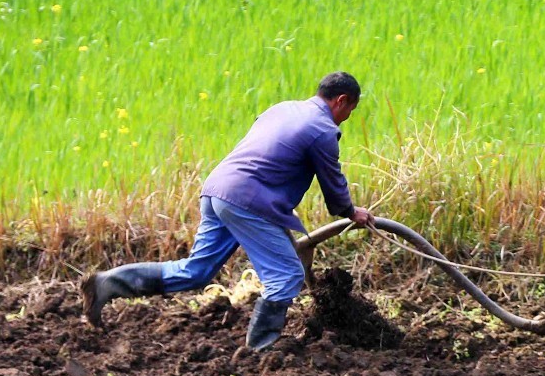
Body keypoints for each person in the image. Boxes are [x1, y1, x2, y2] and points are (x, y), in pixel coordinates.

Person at [81, 72, 375, 349]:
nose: (347, 118)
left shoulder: (283, 108)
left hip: (218, 189)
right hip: (247, 199)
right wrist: (351, 211)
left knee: (196, 271)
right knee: (285, 276)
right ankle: (260, 351)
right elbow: (333, 187)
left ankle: (107, 283)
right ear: (341, 101)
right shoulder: (322, 130)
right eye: (350, 110)